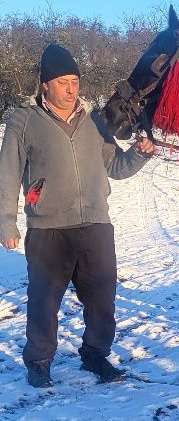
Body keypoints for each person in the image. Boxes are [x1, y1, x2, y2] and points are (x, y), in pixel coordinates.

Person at [0, 42, 156, 388]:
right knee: (44, 300)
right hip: (48, 228)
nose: (72, 89)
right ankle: (39, 361)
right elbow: (8, 173)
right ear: (45, 85)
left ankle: (95, 355)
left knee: (102, 299)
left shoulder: (96, 122)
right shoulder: (23, 121)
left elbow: (115, 166)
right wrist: (7, 221)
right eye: (63, 82)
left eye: (75, 81)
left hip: (96, 225)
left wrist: (140, 154)